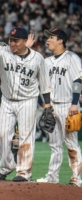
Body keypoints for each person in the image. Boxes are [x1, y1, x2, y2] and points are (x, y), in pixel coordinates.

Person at [0, 24, 51, 182]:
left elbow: (45, 83)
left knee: (26, 137)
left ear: (25, 41)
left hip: (28, 101)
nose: (12, 43)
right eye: (10, 40)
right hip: (6, 100)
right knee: (1, 135)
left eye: (16, 40)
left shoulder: (37, 58)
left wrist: (47, 106)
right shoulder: (2, 52)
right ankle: (6, 167)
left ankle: (23, 173)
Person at [37, 29, 82, 187]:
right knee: (54, 145)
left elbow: (78, 81)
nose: (47, 40)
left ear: (61, 40)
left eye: (51, 37)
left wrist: (74, 103)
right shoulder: (47, 61)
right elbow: (45, 85)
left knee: (71, 143)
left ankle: (76, 178)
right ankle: (52, 178)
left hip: (68, 105)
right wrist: (47, 106)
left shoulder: (72, 58)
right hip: (53, 106)